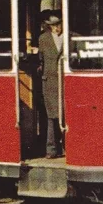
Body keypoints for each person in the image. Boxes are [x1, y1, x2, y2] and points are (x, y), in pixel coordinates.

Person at [38, 15, 64, 158]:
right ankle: (51, 150)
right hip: (50, 82)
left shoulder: (71, 37)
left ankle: (67, 148)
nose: (55, 28)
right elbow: (41, 59)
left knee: (66, 114)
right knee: (52, 116)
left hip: (66, 80)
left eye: (58, 24)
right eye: (52, 25)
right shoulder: (44, 39)